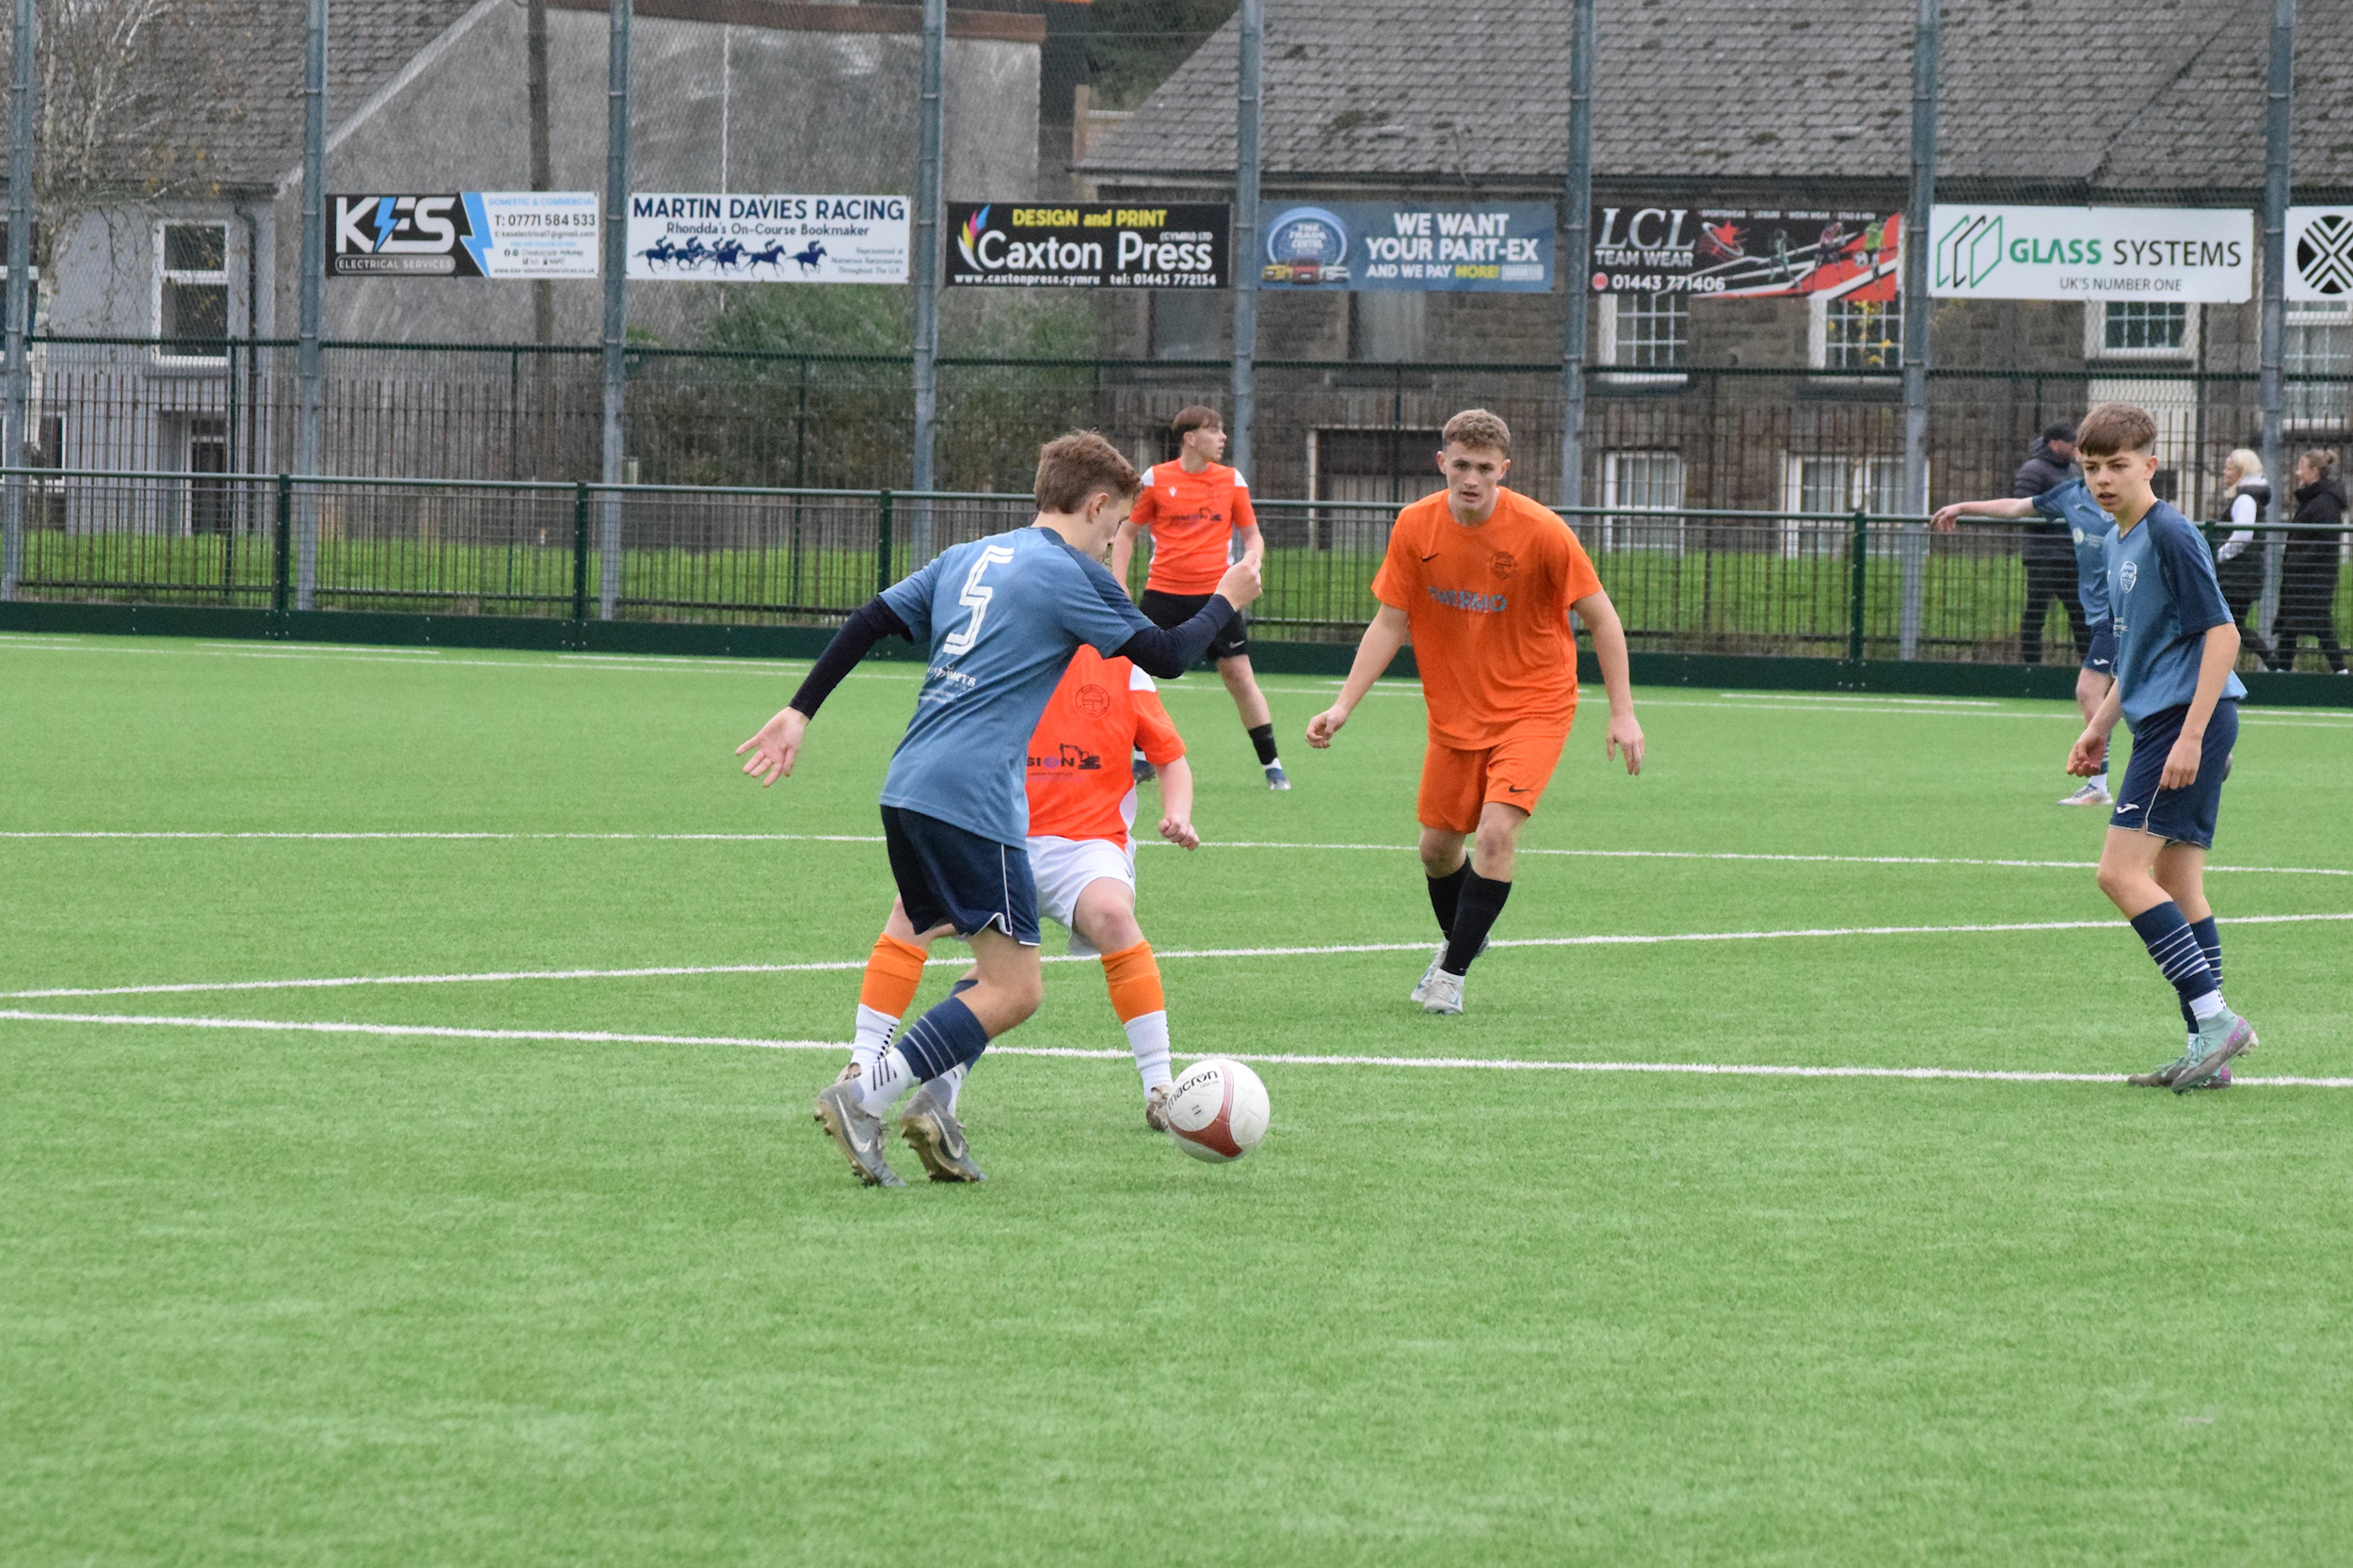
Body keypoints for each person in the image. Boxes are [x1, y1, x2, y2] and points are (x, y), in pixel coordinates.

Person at [737, 431, 1260, 1186]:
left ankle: (934, 1106)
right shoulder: (1070, 574)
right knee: (1018, 988)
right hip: (975, 800)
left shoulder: (969, 556)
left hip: (909, 786)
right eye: (1116, 528)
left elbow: (870, 620)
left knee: (989, 969)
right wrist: (1226, 600)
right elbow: (1170, 656)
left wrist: (799, 711)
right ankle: (865, 1096)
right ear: (1098, 505)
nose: (1116, 541)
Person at [1303, 408, 1645, 1016]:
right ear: (1442, 463)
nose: (1471, 479)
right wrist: (1343, 704)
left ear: (1503, 472)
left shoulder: (1542, 532)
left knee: (1494, 833)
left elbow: (1602, 618)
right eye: (1461, 465)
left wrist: (1623, 712)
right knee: (1436, 849)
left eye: (1485, 468)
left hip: (1535, 706)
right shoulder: (1414, 528)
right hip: (1455, 713)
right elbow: (1389, 621)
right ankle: (1469, 933)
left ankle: (1450, 973)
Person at [840, 643, 1202, 1133]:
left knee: (1113, 915)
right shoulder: (1007, 650)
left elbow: (1170, 757)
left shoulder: (1125, 665)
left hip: (1087, 847)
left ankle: (1160, 1087)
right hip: (1002, 836)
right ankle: (865, 1064)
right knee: (912, 913)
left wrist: (1177, 813)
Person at [2060, 403, 2256, 1092]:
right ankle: (2207, 1049)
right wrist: (2099, 725)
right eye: (2091, 468)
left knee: (2118, 874)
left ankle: (2216, 1020)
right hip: (2164, 717)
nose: (2104, 479)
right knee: (2177, 884)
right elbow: (2140, 656)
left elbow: (2222, 637)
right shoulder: (2119, 540)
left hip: (2183, 722)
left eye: (2118, 465)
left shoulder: (2169, 533)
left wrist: (2195, 736)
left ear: (2150, 464)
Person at [1110, 407, 1290, 790]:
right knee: (1133, 673)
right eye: (1215, 430)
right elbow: (1126, 533)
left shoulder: (1231, 480)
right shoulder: (1156, 479)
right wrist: (1118, 582)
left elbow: (1252, 536)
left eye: (1224, 430)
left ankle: (1272, 765)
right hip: (1163, 592)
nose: (1223, 437)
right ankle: (1142, 758)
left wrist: (1251, 563)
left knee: (1240, 677)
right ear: (1190, 437)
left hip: (1217, 594)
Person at [1931, 464, 2119, 806]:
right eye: (2091, 463)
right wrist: (1962, 507)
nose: (2100, 473)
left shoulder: (2131, 501)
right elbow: (2016, 507)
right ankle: (2208, 745)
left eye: (2111, 462)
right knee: (2136, 696)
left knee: (2090, 689)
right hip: (2100, 617)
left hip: (2123, 613)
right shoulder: (2070, 494)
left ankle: (2098, 784)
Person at [2014, 421, 2090, 666]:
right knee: (2036, 612)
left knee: (2081, 614)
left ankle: (2089, 666)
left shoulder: (2072, 471)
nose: (2075, 447)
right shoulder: (2033, 469)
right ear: (2056, 444)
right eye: (2071, 443)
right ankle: (2032, 666)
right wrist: (2061, 516)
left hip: (2070, 554)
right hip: (2043, 554)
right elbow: (2024, 508)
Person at [2271, 448, 2348, 675]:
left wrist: (2297, 561)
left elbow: (2325, 540)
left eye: (2301, 468)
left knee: (2318, 623)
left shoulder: (2325, 502)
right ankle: (2282, 671)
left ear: (2314, 471)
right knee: (2291, 625)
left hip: (2314, 578)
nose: (2297, 473)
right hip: (2304, 576)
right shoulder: (2316, 499)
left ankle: (2341, 672)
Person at [2212, 449, 2277, 667]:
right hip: (2242, 576)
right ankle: (2272, 662)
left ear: (2241, 471)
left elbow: (2243, 535)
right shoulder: (2249, 497)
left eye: (2229, 468)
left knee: (2226, 624)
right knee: (2233, 624)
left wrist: (2220, 555)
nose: (2224, 472)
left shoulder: (2245, 499)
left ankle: (2272, 662)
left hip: (2237, 577)